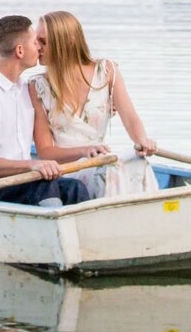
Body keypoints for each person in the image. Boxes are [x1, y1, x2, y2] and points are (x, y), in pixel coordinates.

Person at [0, 14, 97, 207]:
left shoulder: (25, 89)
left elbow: (58, 106)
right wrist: (33, 165)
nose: (39, 46)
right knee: (42, 186)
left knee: (75, 187)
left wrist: (98, 103)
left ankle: (82, 236)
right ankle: (53, 232)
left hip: (23, 181)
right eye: (35, 41)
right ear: (20, 50)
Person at [29, 10, 157, 198]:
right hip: (69, 170)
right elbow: (46, 152)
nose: (37, 47)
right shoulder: (37, 86)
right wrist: (84, 151)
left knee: (139, 163)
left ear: (68, 42)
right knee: (108, 171)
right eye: (36, 41)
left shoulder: (106, 71)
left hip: (100, 161)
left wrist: (142, 141)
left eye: (44, 42)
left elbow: (130, 117)